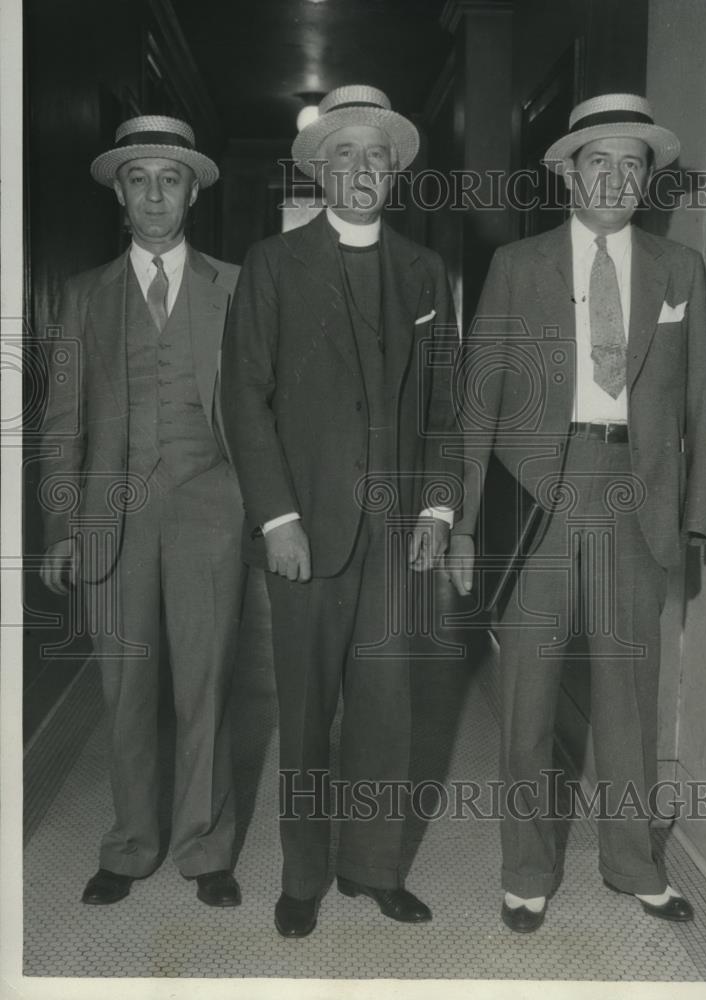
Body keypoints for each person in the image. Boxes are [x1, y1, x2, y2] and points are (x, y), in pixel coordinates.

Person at [448, 94, 706, 932]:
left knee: (630, 699)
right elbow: (477, 401)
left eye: (631, 164)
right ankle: (525, 871)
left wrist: (695, 523)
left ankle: (633, 863)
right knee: (527, 700)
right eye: (597, 160)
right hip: (541, 497)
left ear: (647, 181)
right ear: (567, 172)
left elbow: (704, 406)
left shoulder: (678, 274)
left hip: (638, 504)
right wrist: (457, 521)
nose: (614, 177)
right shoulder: (518, 266)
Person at [222, 84, 459, 937]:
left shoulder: (424, 272)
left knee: (389, 711)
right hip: (307, 530)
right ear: (321, 170)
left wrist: (438, 506)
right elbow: (243, 399)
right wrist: (277, 517)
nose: (362, 170)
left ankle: (374, 868)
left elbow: (442, 401)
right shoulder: (272, 265)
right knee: (306, 711)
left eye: (377, 156)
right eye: (345, 154)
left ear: (394, 173)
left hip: (398, 535)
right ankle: (304, 875)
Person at [39, 116, 246, 908]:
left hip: (210, 507)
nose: (155, 193)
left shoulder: (233, 285)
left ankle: (205, 846)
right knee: (126, 684)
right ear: (119, 197)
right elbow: (62, 422)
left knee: (207, 682)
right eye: (138, 179)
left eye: (170, 178)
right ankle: (129, 845)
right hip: (109, 513)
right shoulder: (85, 294)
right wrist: (60, 526)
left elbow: (257, 412)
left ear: (192, 191)